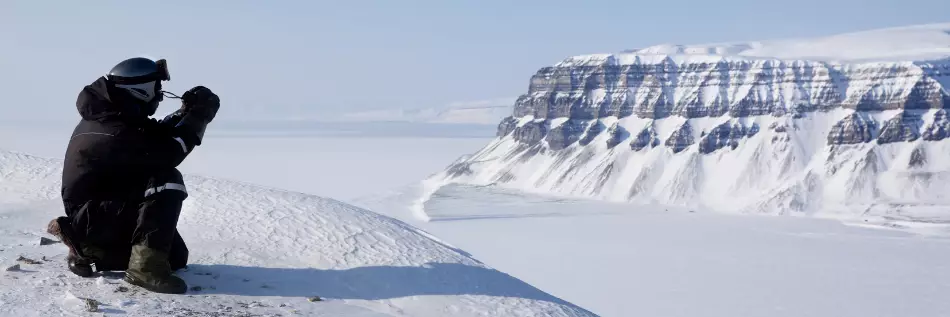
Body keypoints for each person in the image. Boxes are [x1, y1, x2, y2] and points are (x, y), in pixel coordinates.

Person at [45, 57, 220, 294]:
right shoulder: (113, 129)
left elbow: (155, 135)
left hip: (99, 212)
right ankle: (144, 270)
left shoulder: (112, 116)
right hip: (95, 216)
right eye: (156, 88)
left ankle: (89, 252)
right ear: (141, 90)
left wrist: (185, 113)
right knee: (166, 181)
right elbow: (167, 153)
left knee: (176, 258)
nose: (159, 95)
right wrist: (199, 117)